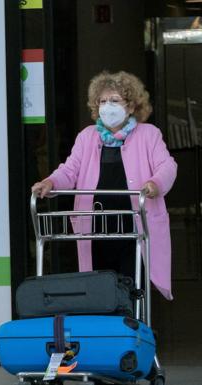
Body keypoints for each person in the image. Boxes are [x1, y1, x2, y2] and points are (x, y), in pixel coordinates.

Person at [31, 71, 177, 300]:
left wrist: (154, 183)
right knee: (99, 289)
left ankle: (131, 330)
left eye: (115, 101)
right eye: (102, 101)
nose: (107, 106)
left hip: (135, 226)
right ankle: (107, 334)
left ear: (130, 106)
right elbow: (70, 170)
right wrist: (50, 182)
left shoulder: (149, 135)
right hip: (95, 227)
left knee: (132, 287)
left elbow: (167, 166)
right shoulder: (87, 137)